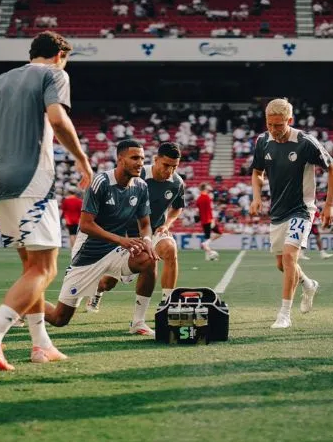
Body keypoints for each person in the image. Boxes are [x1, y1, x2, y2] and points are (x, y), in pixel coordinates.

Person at [0, 31, 93, 371]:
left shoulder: (1, 80)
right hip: (33, 181)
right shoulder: (55, 74)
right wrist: (81, 159)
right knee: (45, 268)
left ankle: (41, 344)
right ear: (60, 56)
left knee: (29, 267)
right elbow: (56, 118)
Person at [45, 140, 158, 335]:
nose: (140, 163)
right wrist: (122, 240)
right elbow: (86, 225)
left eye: (142, 158)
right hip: (89, 252)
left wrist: (147, 241)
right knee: (59, 319)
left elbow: (145, 224)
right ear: (120, 159)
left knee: (148, 260)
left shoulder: (140, 186)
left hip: (115, 249)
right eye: (134, 158)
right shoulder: (101, 182)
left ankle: (138, 322)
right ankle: (28, 302)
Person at [249, 98, 333, 329]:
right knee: (282, 264)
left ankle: (284, 314)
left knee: (289, 258)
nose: (273, 130)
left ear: (290, 120)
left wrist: (329, 204)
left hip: (302, 209)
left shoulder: (305, 142)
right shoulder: (262, 142)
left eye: (278, 125)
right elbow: (257, 171)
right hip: (277, 211)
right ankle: (308, 284)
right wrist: (257, 196)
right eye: (270, 124)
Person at [86, 142, 186, 313]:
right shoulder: (136, 176)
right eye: (166, 165)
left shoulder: (177, 183)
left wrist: (166, 224)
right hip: (128, 235)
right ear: (155, 160)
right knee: (108, 283)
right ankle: (97, 291)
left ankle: (168, 303)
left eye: (174, 167)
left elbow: (178, 207)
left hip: (153, 231)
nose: (169, 171)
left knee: (170, 249)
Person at [196, 183, 222, 261]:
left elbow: (199, 211)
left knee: (207, 238)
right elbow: (209, 210)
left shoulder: (199, 198)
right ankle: (206, 244)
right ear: (205, 188)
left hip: (204, 221)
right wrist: (212, 219)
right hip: (209, 220)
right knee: (219, 233)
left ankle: (208, 256)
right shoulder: (207, 197)